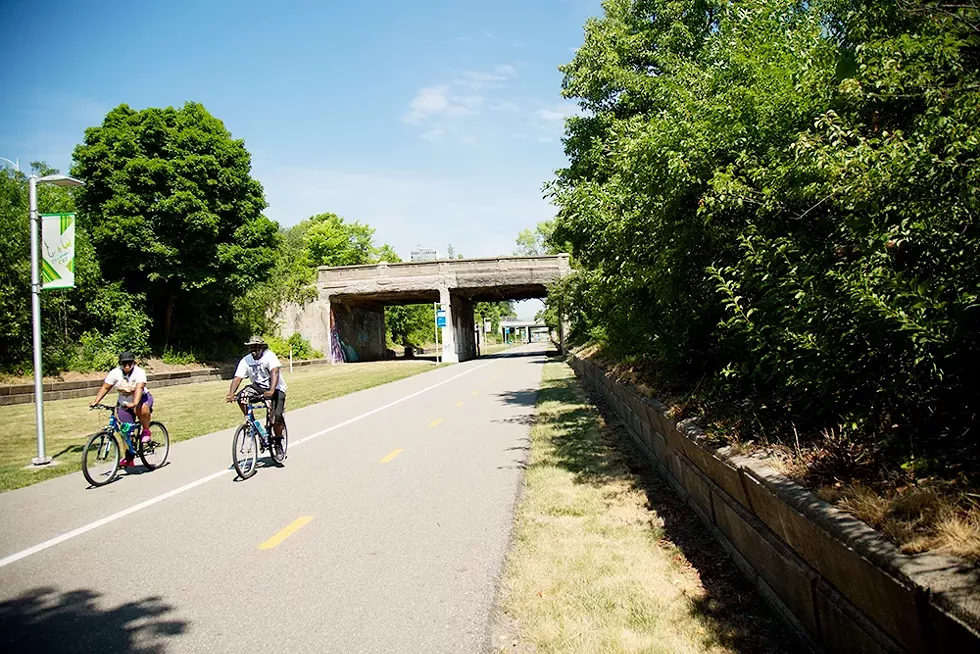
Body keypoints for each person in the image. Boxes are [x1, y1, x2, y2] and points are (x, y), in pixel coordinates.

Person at [90, 351, 154, 468]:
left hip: (141, 399)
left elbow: (139, 388)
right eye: (124, 363)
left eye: (129, 363)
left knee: (141, 409)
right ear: (121, 364)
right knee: (125, 431)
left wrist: (134, 403)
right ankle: (129, 457)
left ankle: (146, 430)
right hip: (123, 403)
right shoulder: (115, 373)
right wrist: (96, 401)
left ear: (133, 363)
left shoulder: (139, 372)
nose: (127, 366)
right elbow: (105, 387)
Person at [225, 336, 287, 440]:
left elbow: (274, 373)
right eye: (251, 347)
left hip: (276, 388)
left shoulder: (269, 356)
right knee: (242, 396)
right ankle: (250, 421)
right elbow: (237, 377)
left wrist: (271, 391)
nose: (253, 350)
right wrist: (231, 393)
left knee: (276, 417)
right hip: (258, 387)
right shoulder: (246, 360)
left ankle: (278, 441)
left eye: (256, 347)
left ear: (262, 347)